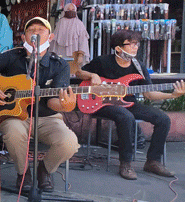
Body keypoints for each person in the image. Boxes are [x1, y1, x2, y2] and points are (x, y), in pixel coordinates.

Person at [0, 17, 79, 193]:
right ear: (23, 37)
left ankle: (45, 170)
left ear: (51, 37)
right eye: (30, 29)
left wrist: (66, 106)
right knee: (12, 132)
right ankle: (23, 172)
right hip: (14, 116)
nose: (35, 32)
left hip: (47, 117)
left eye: (41, 29)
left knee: (69, 142)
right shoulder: (12, 56)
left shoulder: (59, 65)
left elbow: (52, 101)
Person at [76, 29, 185, 180]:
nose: (136, 47)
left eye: (137, 43)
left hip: (129, 103)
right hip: (102, 104)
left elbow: (149, 94)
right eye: (131, 44)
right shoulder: (102, 61)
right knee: (126, 117)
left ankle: (153, 161)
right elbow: (79, 73)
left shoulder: (138, 66)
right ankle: (125, 163)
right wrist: (92, 75)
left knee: (163, 119)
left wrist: (172, 95)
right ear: (118, 48)